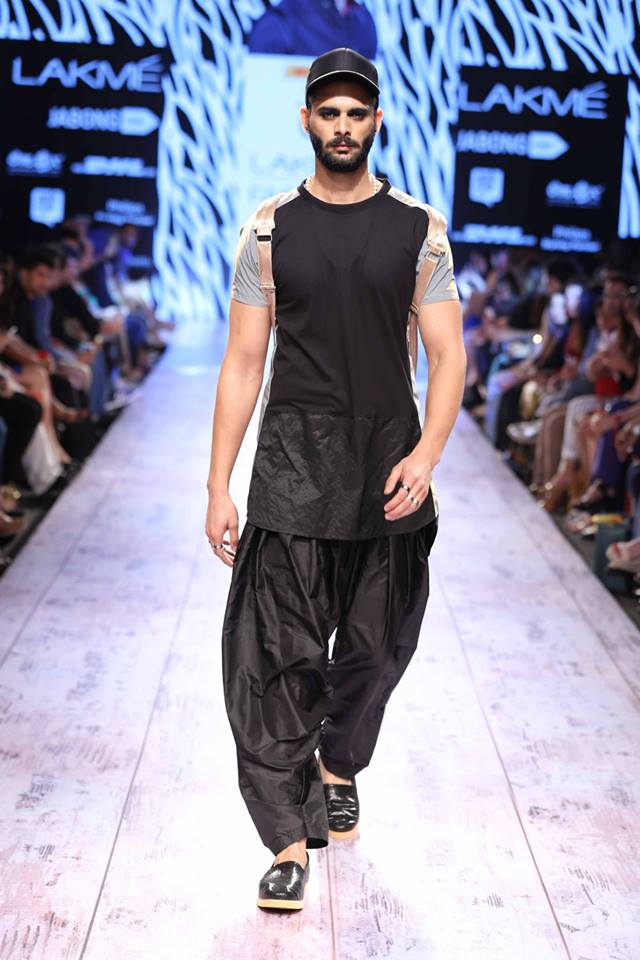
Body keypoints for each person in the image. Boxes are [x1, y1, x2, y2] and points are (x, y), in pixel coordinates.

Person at [205, 48, 465, 911]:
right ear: (307, 120)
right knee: (275, 660)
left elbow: (447, 353)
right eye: (330, 112)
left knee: (377, 650)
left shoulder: (419, 230)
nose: (343, 126)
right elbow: (244, 362)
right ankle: (287, 840)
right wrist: (218, 484)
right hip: (291, 468)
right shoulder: (268, 230)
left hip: (389, 468)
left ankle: (339, 763)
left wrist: (427, 455)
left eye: (357, 113)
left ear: (377, 121)